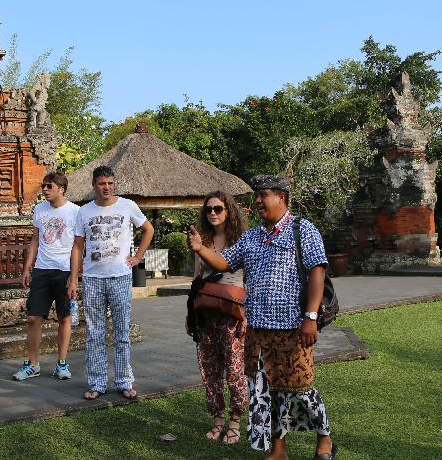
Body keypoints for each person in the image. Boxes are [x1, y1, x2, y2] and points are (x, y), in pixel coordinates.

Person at [188, 175, 337, 460]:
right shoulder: (252, 236)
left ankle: (325, 438)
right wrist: (200, 249)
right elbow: (224, 262)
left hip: (292, 328)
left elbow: (318, 271)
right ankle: (278, 449)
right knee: (266, 393)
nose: (257, 200)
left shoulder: (302, 229)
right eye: (256, 195)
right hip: (257, 329)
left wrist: (310, 316)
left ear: (282, 197)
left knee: (301, 388)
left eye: (263, 194)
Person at [68, 165, 154, 401]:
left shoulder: (127, 206)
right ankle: (97, 382)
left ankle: (124, 381)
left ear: (114, 184)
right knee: (94, 332)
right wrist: (73, 279)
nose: (106, 187)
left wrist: (137, 258)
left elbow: (148, 229)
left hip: (120, 276)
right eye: (101, 183)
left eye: (110, 183)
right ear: (94, 186)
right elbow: (77, 247)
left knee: (122, 331)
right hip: (93, 279)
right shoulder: (84, 211)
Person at [192, 191, 249, 445]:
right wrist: (190, 314)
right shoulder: (202, 241)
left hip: (232, 312)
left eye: (218, 209)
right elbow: (197, 280)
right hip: (206, 312)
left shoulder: (241, 241)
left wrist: (248, 314)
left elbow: (249, 279)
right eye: (209, 210)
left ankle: (235, 421)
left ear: (229, 211)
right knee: (210, 369)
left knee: (235, 370)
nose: (213, 213)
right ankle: (217, 418)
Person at [13, 171, 80, 381]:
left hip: (64, 270)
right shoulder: (40, 209)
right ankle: (33, 364)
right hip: (42, 269)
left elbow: (78, 247)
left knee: (64, 317)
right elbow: (35, 240)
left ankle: (61, 363)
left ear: (62, 189)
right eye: (44, 186)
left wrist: (74, 277)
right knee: (33, 318)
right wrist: (27, 268)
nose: (45, 190)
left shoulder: (75, 212)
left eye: (49, 186)